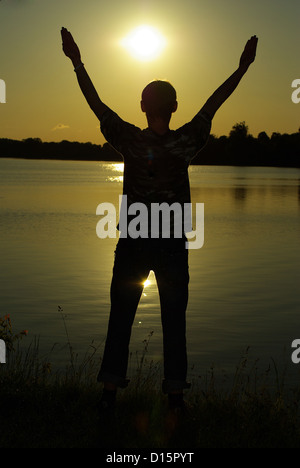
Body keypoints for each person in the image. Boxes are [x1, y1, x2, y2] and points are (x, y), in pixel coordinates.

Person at [61, 27, 258, 414]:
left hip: (134, 243)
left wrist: (77, 62)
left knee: (120, 319)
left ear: (142, 106)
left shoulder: (130, 140)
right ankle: (175, 399)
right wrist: (242, 68)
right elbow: (214, 102)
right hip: (170, 246)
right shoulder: (185, 141)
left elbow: (95, 103)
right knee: (173, 322)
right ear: (174, 108)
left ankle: (109, 395)